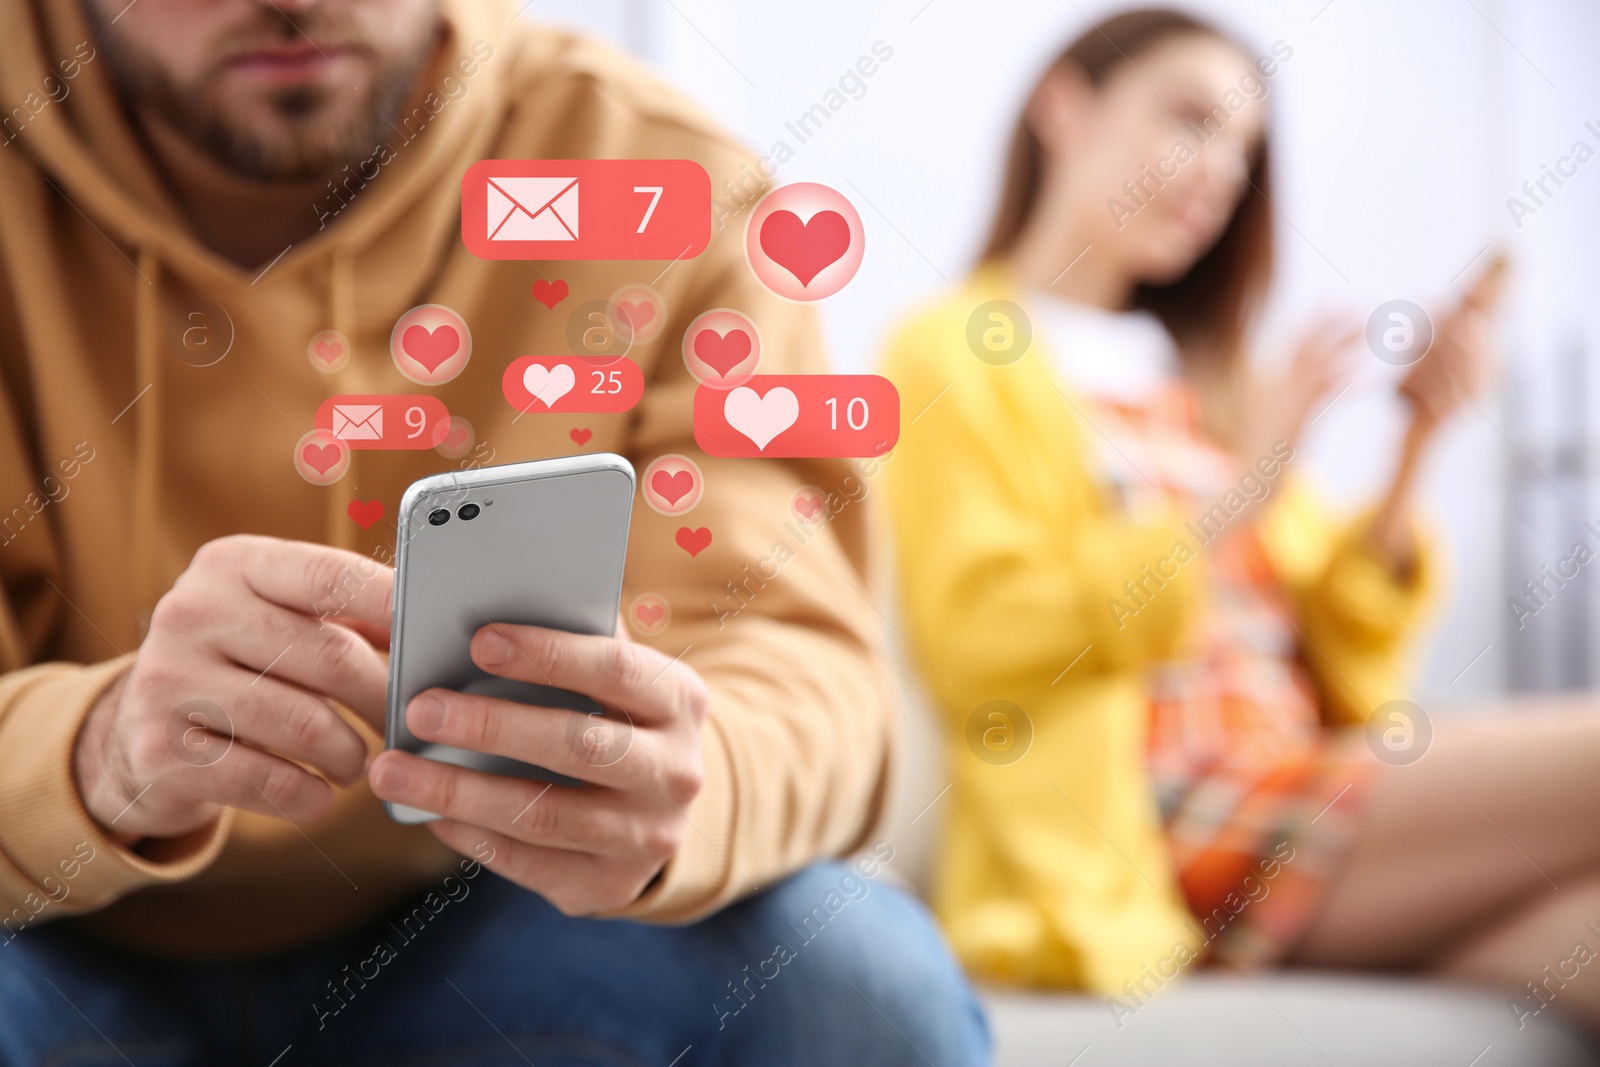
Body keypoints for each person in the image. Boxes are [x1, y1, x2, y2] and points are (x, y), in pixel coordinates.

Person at [0, 0, 989, 1063]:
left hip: (495, 927)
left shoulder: (660, 174)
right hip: (40, 936)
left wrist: (693, 782)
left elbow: (806, 665)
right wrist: (91, 751)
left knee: (860, 986)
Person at [883, 5, 1600, 1030]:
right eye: (1187, 119)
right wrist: (1245, 482)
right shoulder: (952, 350)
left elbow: (1341, 640)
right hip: (1163, 820)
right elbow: (984, 635)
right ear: (1061, 106)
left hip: (1293, 778)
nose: (1219, 170)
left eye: (1242, 149)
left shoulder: (1208, 374)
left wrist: (1414, 446)